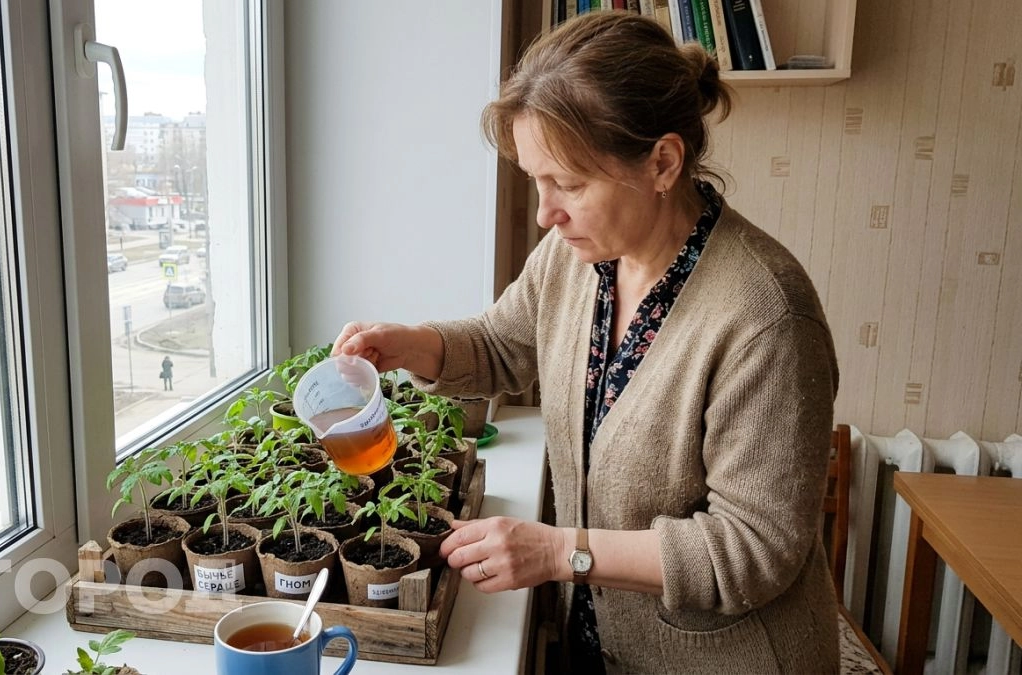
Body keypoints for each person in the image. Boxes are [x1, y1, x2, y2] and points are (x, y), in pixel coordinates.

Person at [331, 12, 839, 674]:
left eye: (568, 184)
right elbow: (499, 344)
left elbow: (752, 548)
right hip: (601, 643)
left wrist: (557, 552)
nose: (545, 212)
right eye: (536, 181)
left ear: (662, 162)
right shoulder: (577, 259)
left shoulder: (766, 316)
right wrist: (410, 344)